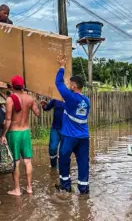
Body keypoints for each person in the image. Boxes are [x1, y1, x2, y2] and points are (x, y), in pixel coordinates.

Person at [55, 55, 91, 194]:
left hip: (70, 136)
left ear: (74, 86)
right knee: (83, 163)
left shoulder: (71, 98)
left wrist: (62, 66)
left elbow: (58, 84)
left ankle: (65, 186)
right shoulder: (86, 100)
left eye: (70, 84)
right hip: (83, 137)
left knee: (63, 159)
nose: (69, 86)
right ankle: (83, 188)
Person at [0, 75, 40, 196]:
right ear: (23, 86)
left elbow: (7, 120)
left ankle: (17, 189)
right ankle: (29, 188)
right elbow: (37, 113)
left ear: (12, 86)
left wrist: (3, 135)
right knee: (28, 161)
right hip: (25, 132)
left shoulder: (10, 99)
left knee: (16, 162)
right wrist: (37, 102)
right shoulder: (30, 98)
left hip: (14, 132)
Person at [40, 99, 65, 168]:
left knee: (64, 150)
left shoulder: (70, 97)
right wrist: (44, 105)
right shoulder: (55, 99)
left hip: (66, 130)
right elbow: (47, 108)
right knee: (52, 148)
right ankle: (53, 166)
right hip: (55, 128)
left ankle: (63, 168)